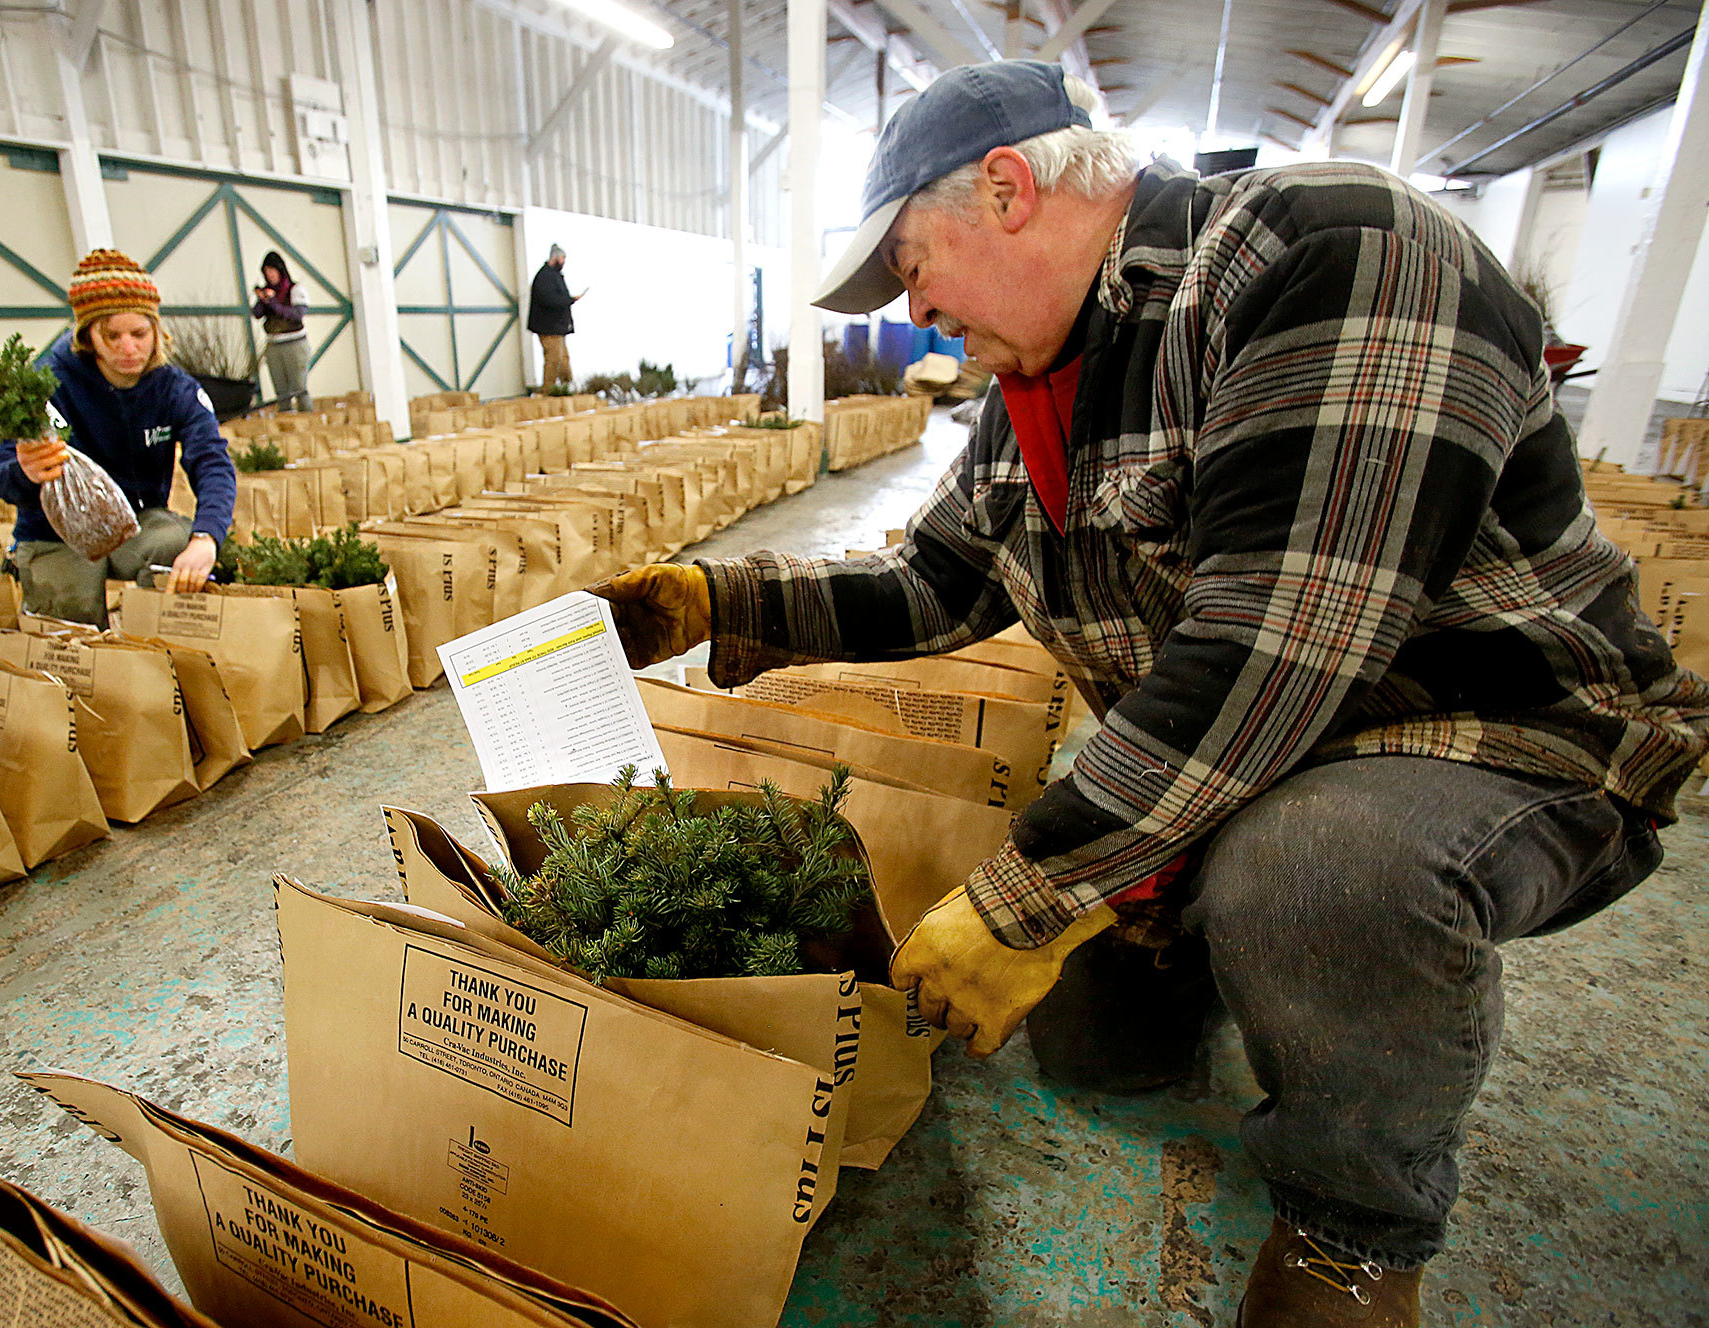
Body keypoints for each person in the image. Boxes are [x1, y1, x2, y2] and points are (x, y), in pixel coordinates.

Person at [592, 59, 1709, 1328]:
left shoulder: (1331, 253)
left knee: (1318, 873)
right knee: (1098, 1045)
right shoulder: (1029, 391)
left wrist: (1029, 892)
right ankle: (1239, 939)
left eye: (911, 268)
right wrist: (717, 600)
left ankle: (1352, 1233)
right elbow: (935, 584)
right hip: (1245, 753)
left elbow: (1276, 645)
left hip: (1489, 735)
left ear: (1006, 191)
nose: (916, 317)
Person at [0, 248, 237, 626]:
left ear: (156, 330)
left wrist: (206, 538)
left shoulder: (173, 389)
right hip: (56, 533)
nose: (128, 348)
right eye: (112, 335)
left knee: (178, 545)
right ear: (88, 336)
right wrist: (23, 472)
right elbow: (0, 465)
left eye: (139, 333)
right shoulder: (47, 383)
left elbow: (212, 461)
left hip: (135, 521)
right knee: (70, 634)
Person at [251, 249, 312, 412]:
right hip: (274, 344)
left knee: (299, 387)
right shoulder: (268, 292)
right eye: (266, 272)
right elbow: (257, 314)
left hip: (294, 343)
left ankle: (307, 417)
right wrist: (262, 300)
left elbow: (296, 314)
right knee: (281, 389)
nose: (270, 275)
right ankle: (286, 419)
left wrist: (273, 302)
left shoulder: (295, 289)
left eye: (272, 271)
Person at [527, 244, 581, 387]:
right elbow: (549, 300)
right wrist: (569, 300)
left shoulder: (553, 276)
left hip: (557, 327)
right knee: (553, 360)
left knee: (563, 359)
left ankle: (567, 388)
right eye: (562, 258)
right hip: (549, 328)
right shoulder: (545, 277)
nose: (563, 262)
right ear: (555, 258)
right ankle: (549, 391)